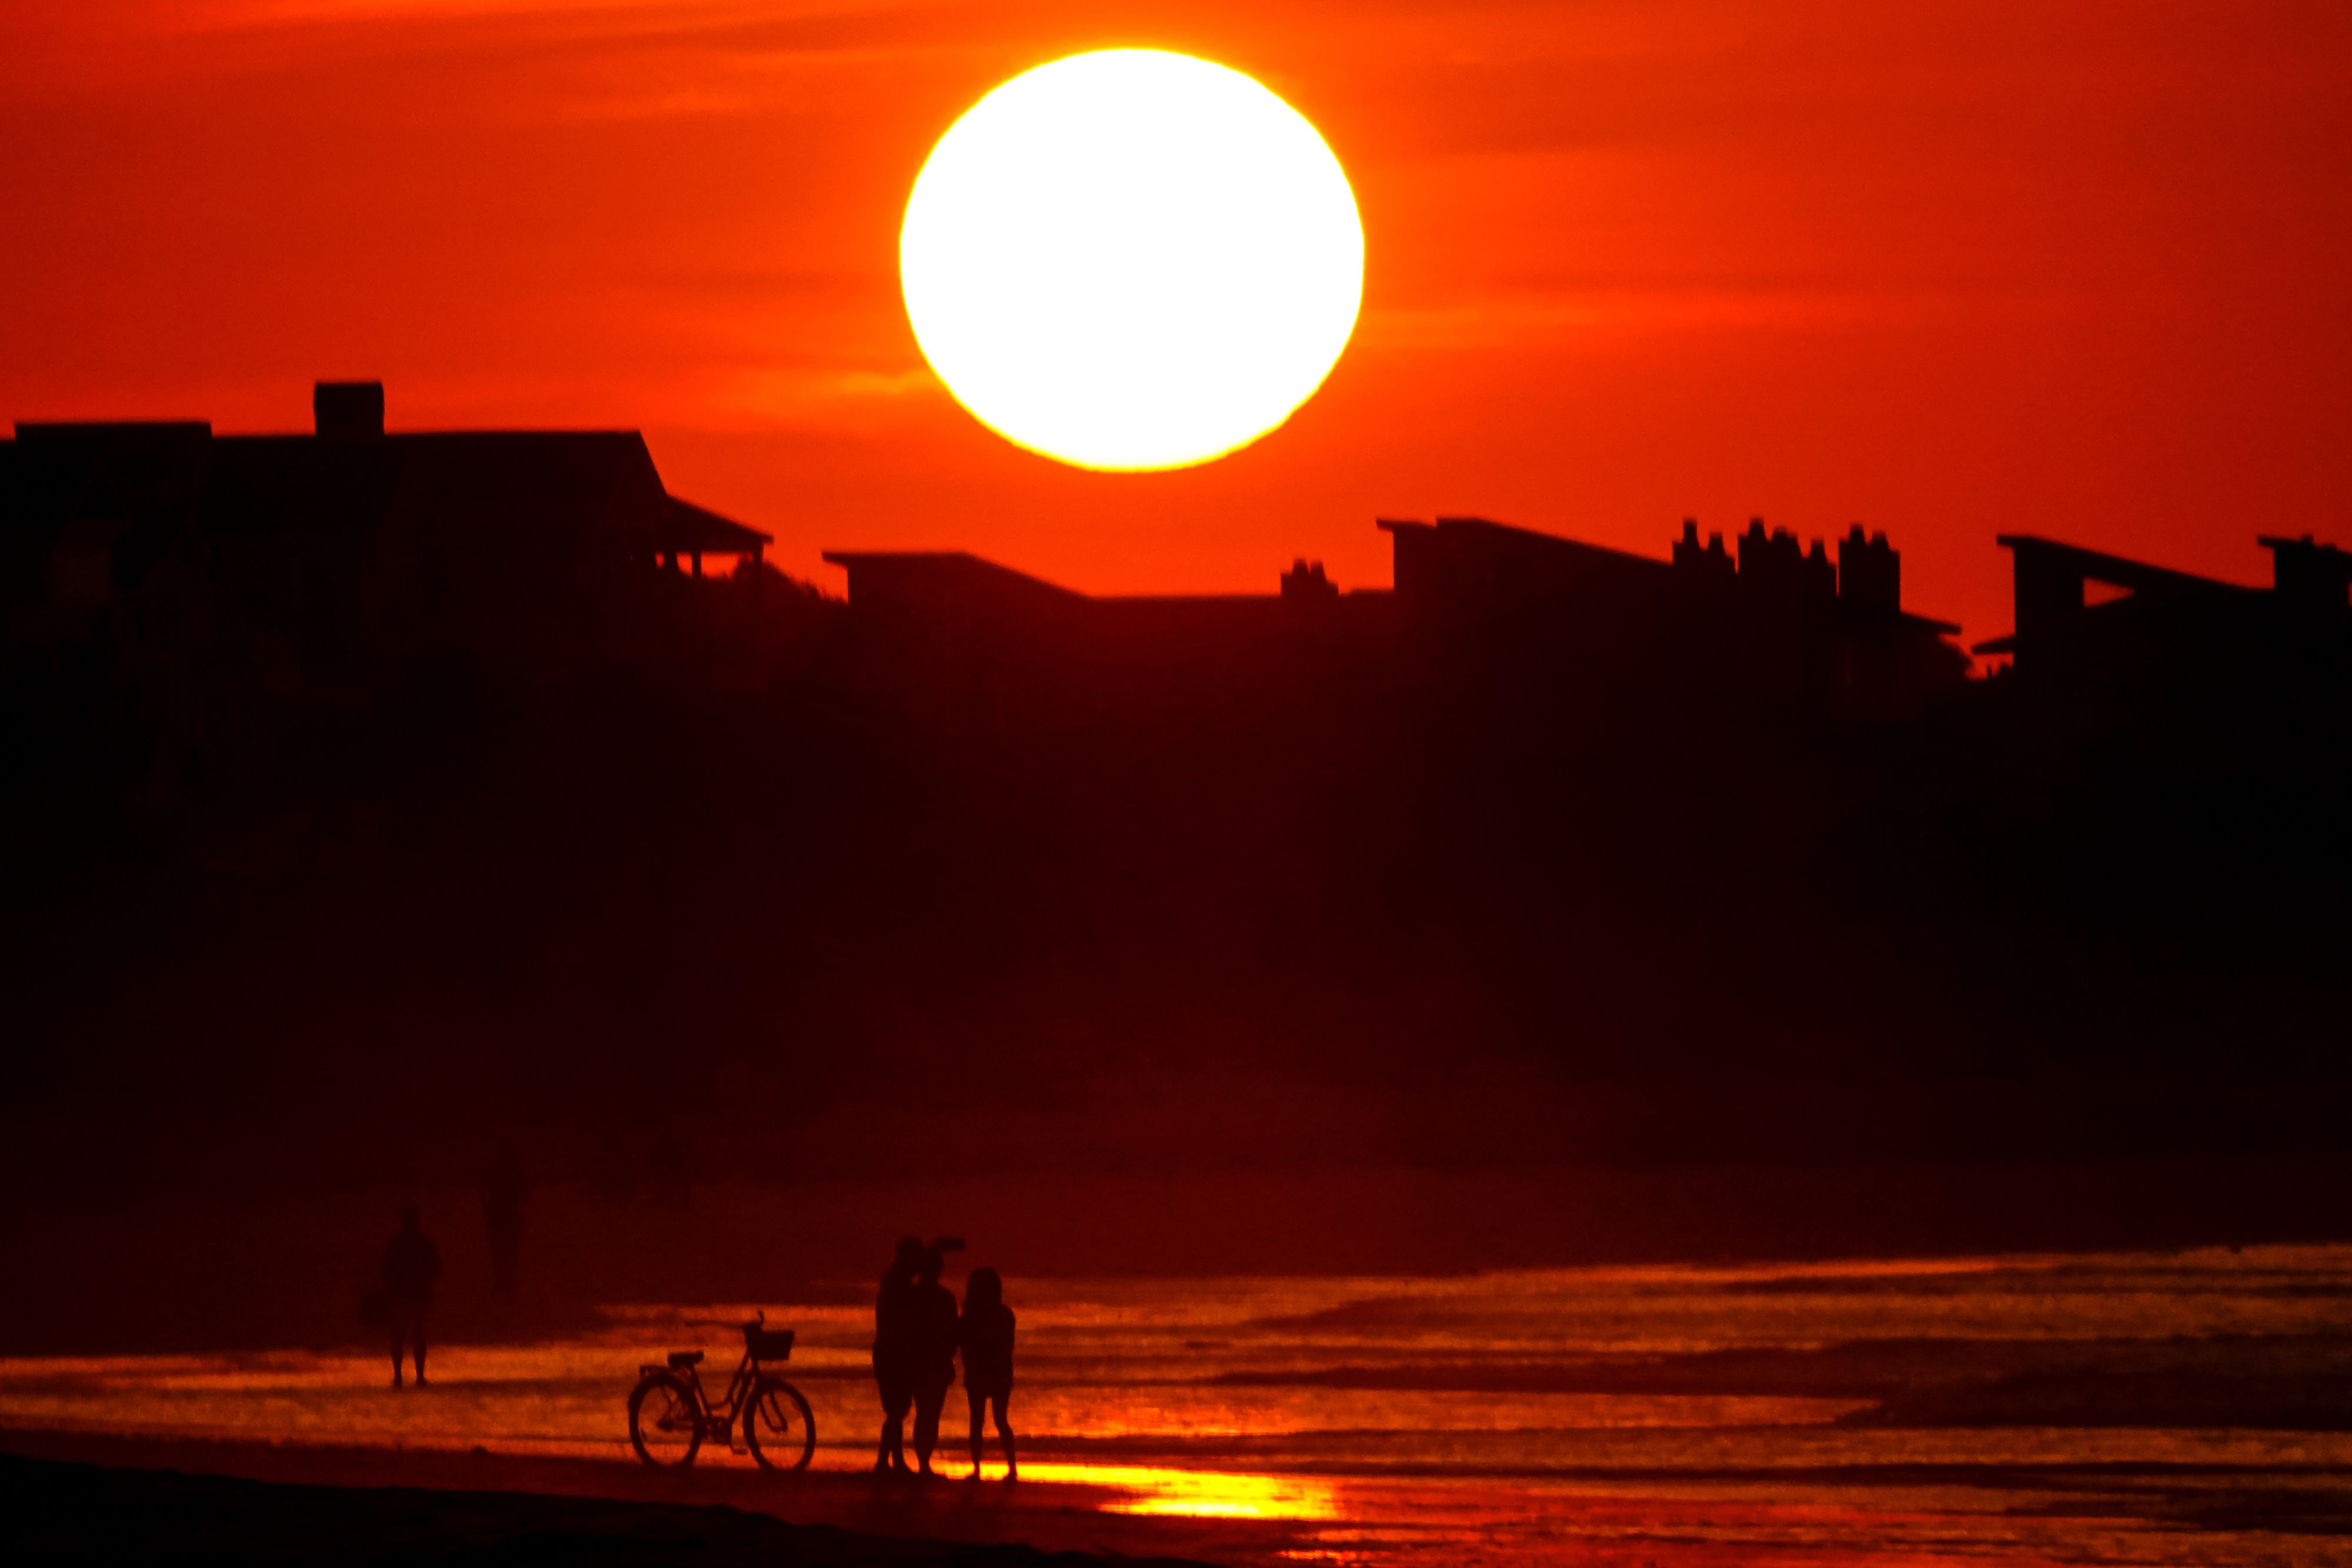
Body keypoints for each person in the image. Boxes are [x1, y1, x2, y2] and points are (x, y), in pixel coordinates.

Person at [871, 1235, 924, 1473]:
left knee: (897, 1410)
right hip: (893, 1351)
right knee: (897, 1410)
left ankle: (892, 1461)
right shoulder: (898, 1283)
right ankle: (887, 1461)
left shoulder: (894, 1281)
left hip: (888, 1350)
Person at [960, 1266, 1017, 1480]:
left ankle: (979, 1469)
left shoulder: (972, 1314)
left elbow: (964, 1343)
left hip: (983, 1371)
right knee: (998, 1419)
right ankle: (1009, 1468)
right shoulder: (1002, 1313)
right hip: (996, 1371)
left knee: (980, 1420)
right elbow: (1006, 1345)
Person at [908, 1242, 961, 1476]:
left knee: (924, 1414)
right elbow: (953, 1334)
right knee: (930, 1415)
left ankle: (923, 1464)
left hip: (920, 1361)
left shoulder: (912, 1296)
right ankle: (924, 1464)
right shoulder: (944, 1298)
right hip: (933, 1362)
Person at [383, 1203, 441, 1389]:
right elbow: (437, 1269)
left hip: (400, 1293)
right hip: (421, 1294)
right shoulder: (425, 1243)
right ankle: (420, 1376)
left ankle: (398, 1376)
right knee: (419, 1335)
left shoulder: (396, 1243)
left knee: (398, 1335)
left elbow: (387, 1269)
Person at [479, 1144, 527, 1305]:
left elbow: (483, 1190)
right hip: (512, 1215)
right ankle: (509, 1287)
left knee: (498, 1251)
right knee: (511, 1252)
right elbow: (527, 1195)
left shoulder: (495, 1172)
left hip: (498, 1214)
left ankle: (501, 1283)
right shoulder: (517, 1172)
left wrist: (487, 1206)